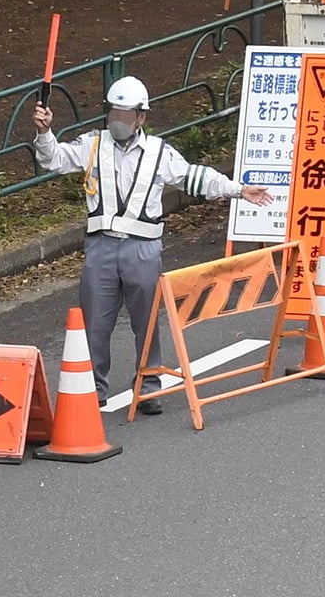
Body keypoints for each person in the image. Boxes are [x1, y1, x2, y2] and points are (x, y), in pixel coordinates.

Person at [32, 76, 274, 414]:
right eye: (113, 112)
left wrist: (239, 189)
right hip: (100, 247)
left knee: (145, 321)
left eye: (126, 115)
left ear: (141, 117)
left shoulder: (160, 152)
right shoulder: (92, 144)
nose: (118, 120)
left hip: (143, 249)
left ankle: (147, 386)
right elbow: (54, 159)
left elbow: (196, 177)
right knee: (94, 322)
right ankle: (92, 386)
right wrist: (45, 133)